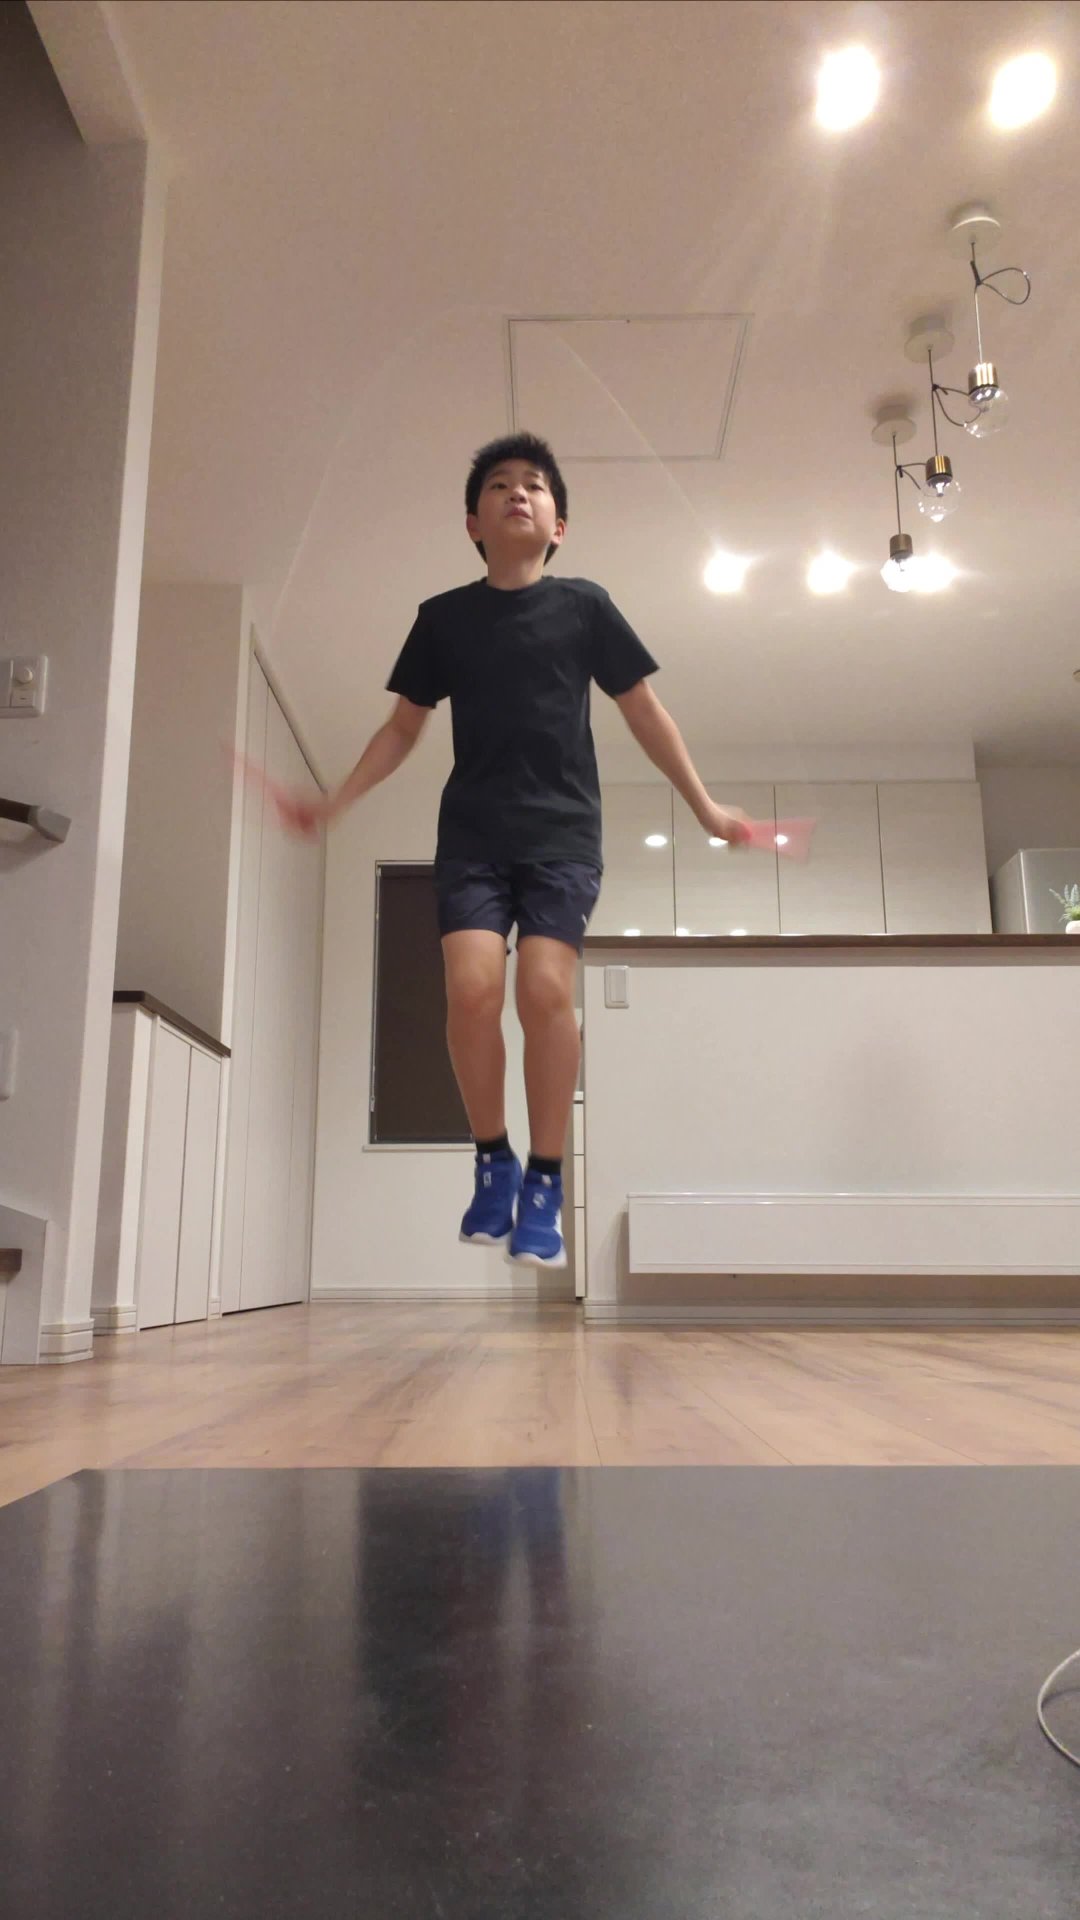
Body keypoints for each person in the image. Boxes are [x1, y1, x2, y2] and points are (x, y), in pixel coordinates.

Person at [273, 432, 750, 1270]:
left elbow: (644, 710)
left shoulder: (585, 607)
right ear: (473, 523)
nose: (518, 493)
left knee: (543, 990)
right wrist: (335, 801)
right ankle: (493, 1159)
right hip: (473, 838)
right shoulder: (443, 619)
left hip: (563, 836)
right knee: (471, 990)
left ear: (559, 525)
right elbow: (402, 728)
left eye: (535, 485)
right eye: (499, 485)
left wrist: (705, 806)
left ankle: (545, 1179)